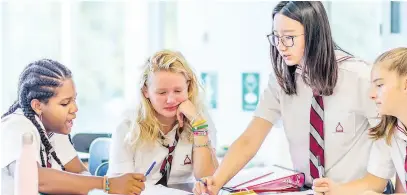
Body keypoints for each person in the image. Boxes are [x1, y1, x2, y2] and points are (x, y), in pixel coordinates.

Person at [193, 1, 378, 195]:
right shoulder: (281, 80)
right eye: (276, 37)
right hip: (308, 191)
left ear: (315, 35)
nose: (281, 46)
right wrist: (216, 182)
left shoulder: (359, 76)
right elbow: (250, 139)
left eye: (289, 37)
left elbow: (392, 142)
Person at [1, 59, 146, 195]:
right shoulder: (15, 127)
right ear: (38, 106)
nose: (75, 108)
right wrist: (107, 184)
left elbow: (79, 172)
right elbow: (36, 178)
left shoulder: (54, 129)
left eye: (74, 100)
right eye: (65, 103)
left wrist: (98, 186)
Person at [313, 44, 407, 195]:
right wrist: (335, 190)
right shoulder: (393, 130)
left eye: (380, 85)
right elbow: (382, 183)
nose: (372, 95)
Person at [107, 50, 219, 187]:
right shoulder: (127, 127)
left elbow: (208, 179)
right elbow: (121, 187)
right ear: (145, 91)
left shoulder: (200, 119)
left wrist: (198, 125)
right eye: (161, 92)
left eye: (178, 91)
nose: (171, 100)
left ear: (188, 88)